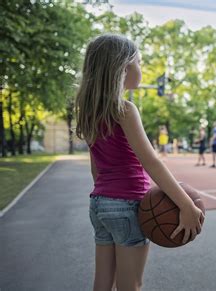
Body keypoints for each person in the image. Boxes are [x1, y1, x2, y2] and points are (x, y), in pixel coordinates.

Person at [75, 34, 203, 291]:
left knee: (102, 283)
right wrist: (186, 204)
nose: (141, 68)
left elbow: (96, 169)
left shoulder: (88, 112)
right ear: (124, 68)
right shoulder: (124, 110)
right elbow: (151, 161)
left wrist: (106, 199)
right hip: (127, 204)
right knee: (130, 285)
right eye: (139, 62)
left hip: (99, 204)